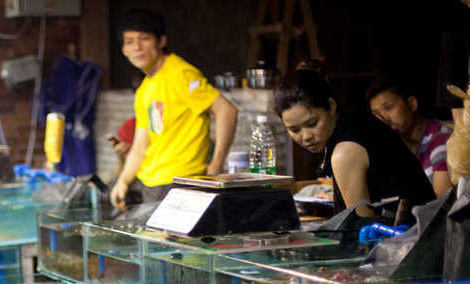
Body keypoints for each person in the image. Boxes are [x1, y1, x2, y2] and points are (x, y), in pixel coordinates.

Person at [110, 9, 237, 213]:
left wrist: (216, 165)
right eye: (130, 41)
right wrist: (123, 180)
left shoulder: (180, 73)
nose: (137, 48)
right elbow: (141, 143)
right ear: (123, 49)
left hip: (180, 183)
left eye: (144, 39)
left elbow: (227, 111)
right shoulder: (145, 88)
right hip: (151, 184)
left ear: (161, 42)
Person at [275, 69, 436, 220]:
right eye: (294, 129)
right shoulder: (355, 122)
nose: (306, 136)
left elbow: (362, 230)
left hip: (411, 241)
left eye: (312, 123)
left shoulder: (346, 149)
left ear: (331, 106)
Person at [368, 78, 454, 197]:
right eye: (377, 114)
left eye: (388, 108)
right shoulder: (393, 146)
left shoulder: (442, 140)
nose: (383, 118)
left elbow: (439, 203)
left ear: (412, 104)